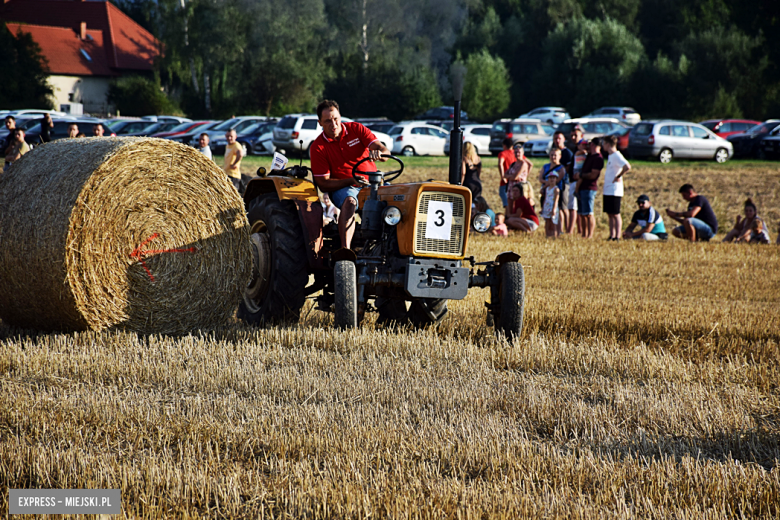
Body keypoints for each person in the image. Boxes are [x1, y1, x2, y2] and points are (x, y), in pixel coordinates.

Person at [310, 99, 389, 250]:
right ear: (320, 122)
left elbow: (384, 152)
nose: (333, 125)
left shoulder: (356, 129)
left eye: (335, 119)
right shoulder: (318, 147)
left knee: (401, 199)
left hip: (372, 183)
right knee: (350, 202)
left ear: (340, 117)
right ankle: (345, 250)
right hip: (345, 188)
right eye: (327, 121)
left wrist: (380, 152)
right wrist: (350, 181)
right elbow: (323, 183)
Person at [601, 135, 631, 241]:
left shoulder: (617, 155)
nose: (603, 146)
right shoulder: (611, 156)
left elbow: (627, 166)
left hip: (615, 190)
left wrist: (619, 176)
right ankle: (612, 234)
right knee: (610, 213)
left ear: (608, 144)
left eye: (604, 144)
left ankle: (617, 236)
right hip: (608, 189)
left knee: (616, 213)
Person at [577, 138, 604, 239]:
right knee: (582, 214)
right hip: (582, 187)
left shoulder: (598, 158)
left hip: (589, 188)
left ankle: (590, 235)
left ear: (593, 144)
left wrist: (580, 175)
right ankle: (584, 234)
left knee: (589, 213)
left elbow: (593, 175)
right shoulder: (589, 156)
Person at [550, 131, 574, 234]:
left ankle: (568, 230)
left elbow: (568, 169)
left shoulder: (567, 153)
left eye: (559, 138)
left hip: (564, 184)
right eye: (555, 138)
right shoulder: (553, 151)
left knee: (564, 207)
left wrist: (557, 179)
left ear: (564, 139)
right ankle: (559, 229)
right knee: (558, 208)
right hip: (555, 184)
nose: (557, 140)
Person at [568, 139, 587, 234]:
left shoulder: (587, 155)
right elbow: (580, 152)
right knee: (573, 206)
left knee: (580, 208)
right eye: (582, 145)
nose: (584, 147)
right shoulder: (578, 154)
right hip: (575, 180)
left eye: (585, 145)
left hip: (582, 180)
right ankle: (573, 230)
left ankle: (581, 230)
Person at [497, 137, 516, 211]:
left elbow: (500, 164)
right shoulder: (516, 153)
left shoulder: (503, 153)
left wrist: (503, 176)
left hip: (506, 180)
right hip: (514, 180)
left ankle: (508, 214)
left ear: (504, 145)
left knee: (505, 198)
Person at [541, 171, 560, 238]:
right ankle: (547, 235)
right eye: (550, 178)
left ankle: (554, 236)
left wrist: (554, 209)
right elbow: (545, 199)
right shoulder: (547, 189)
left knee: (553, 223)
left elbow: (556, 200)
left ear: (556, 179)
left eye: (553, 178)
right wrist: (542, 208)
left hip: (552, 207)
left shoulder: (556, 189)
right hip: (547, 207)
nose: (552, 179)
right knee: (547, 222)